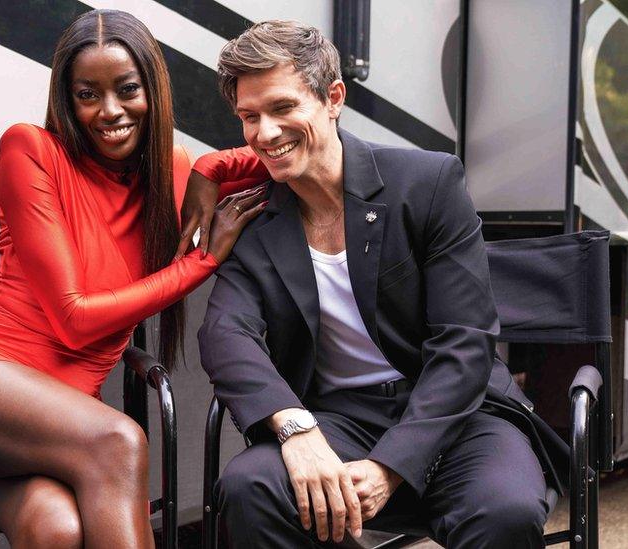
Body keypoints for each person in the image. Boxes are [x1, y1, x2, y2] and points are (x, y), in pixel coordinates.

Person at [196, 20, 567, 548]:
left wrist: (393, 464)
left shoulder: (429, 183)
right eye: (249, 117)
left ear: (333, 98)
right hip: (337, 420)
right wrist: (297, 430)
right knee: (250, 485)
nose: (265, 133)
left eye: (283, 108)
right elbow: (224, 335)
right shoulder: (255, 220)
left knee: (502, 511)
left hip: (457, 417)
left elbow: (465, 343)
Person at [0, 10, 265, 549]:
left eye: (126, 89)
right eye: (88, 94)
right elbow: (75, 321)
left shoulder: (172, 168)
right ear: (67, 100)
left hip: (59, 429)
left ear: (153, 90)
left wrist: (212, 167)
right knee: (121, 439)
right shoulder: (29, 150)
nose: (110, 111)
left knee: (57, 531)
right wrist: (199, 263)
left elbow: (286, 151)